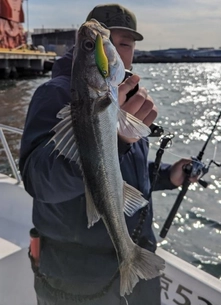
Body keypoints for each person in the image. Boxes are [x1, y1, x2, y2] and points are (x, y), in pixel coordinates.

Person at [19, 3, 195, 305]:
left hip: (136, 266)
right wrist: (115, 139)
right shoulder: (56, 94)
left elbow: (123, 169)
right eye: (105, 42)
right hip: (77, 280)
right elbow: (39, 179)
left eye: (125, 44)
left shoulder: (122, 97)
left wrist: (169, 175)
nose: (115, 48)